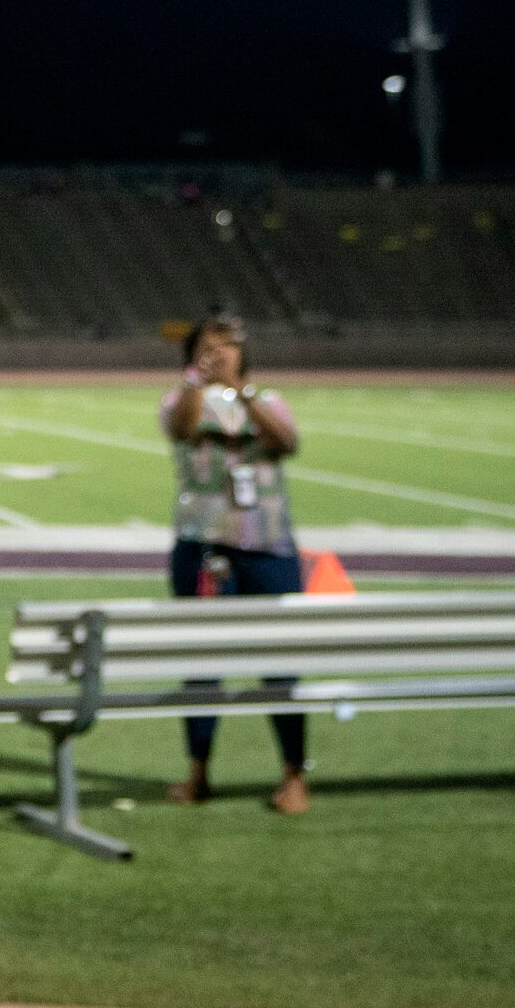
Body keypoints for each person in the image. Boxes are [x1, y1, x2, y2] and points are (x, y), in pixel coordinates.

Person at [159, 312, 309, 813]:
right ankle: (198, 771)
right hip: (202, 544)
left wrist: (241, 391)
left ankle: (293, 775)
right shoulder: (183, 398)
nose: (222, 352)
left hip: (267, 544)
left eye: (230, 344)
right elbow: (180, 428)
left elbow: (286, 442)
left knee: (279, 664)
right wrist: (198, 380)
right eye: (211, 344)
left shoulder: (266, 400)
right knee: (201, 663)